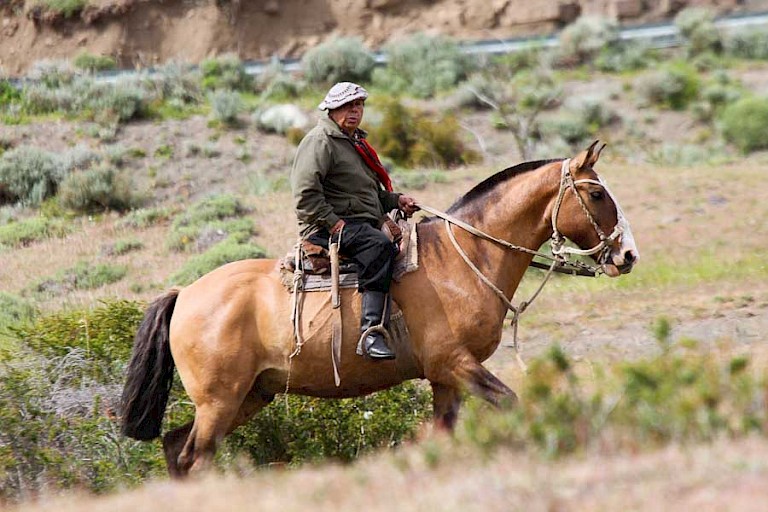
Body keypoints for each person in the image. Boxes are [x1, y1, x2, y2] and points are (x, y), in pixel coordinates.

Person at [290, 82, 418, 361]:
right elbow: (305, 196)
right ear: (332, 109)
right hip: (324, 227)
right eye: (347, 106)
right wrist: (335, 225)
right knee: (378, 246)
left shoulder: (353, 142)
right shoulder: (320, 141)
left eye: (358, 105)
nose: (354, 111)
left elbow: (366, 195)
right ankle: (371, 334)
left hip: (354, 221)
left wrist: (396, 200)